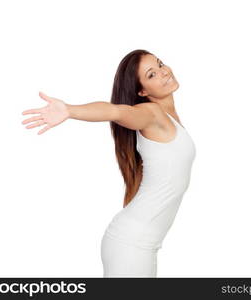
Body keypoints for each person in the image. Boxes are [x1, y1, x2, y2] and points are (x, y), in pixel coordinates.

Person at [21, 49, 196, 277]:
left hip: (140, 244)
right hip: (132, 245)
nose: (164, 72)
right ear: (142, 91)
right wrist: (70, 111)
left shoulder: (168, 118)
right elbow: (115, 111)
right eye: (152, 74)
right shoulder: (151, 114)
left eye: (160, 64)